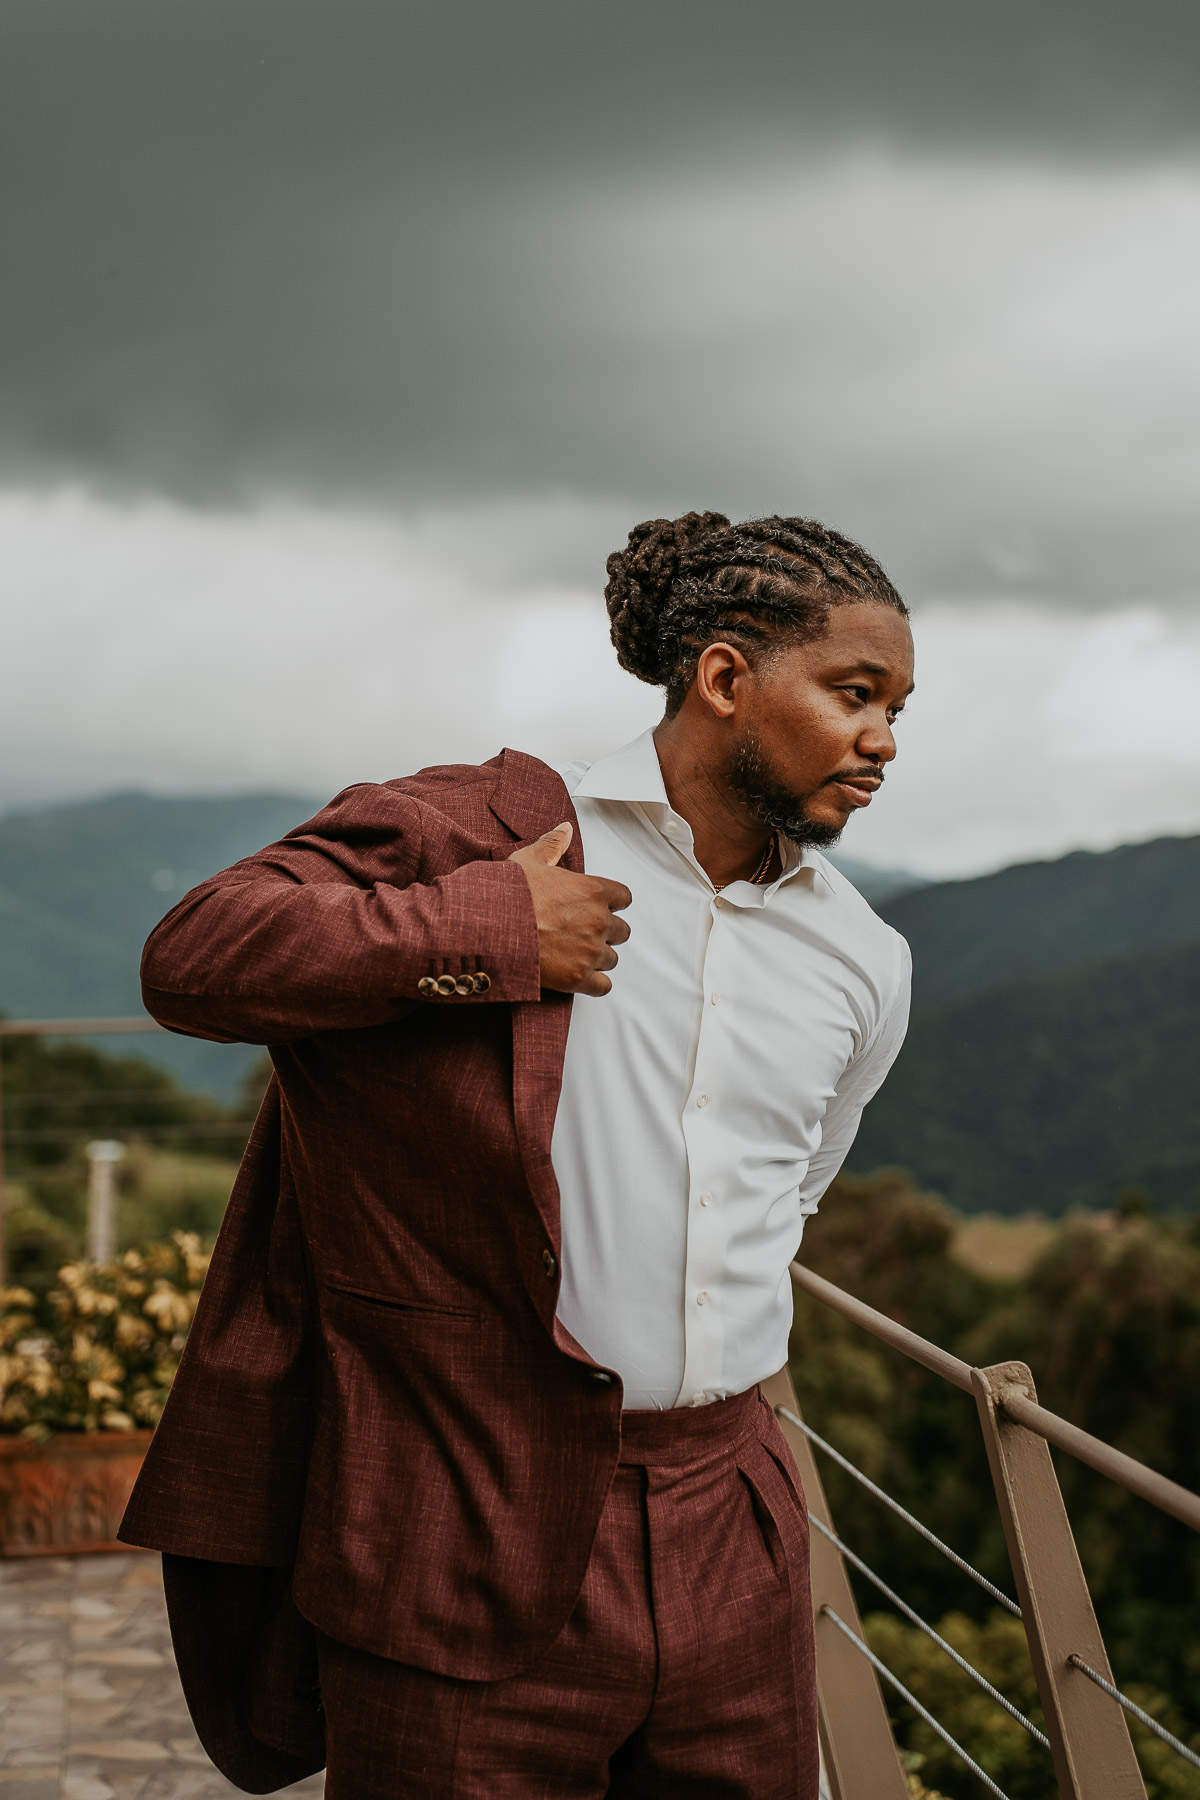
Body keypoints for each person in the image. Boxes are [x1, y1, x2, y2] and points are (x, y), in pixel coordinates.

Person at [120, 510, 915, 1799]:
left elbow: (785, 1206)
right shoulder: (475, 832)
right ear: (723, 678)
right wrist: (487, 921)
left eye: (897, 709)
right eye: (855, 694)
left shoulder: (866, 961)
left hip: (738, 1534)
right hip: (457, 1528)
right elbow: (193, 956)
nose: (884, 742)